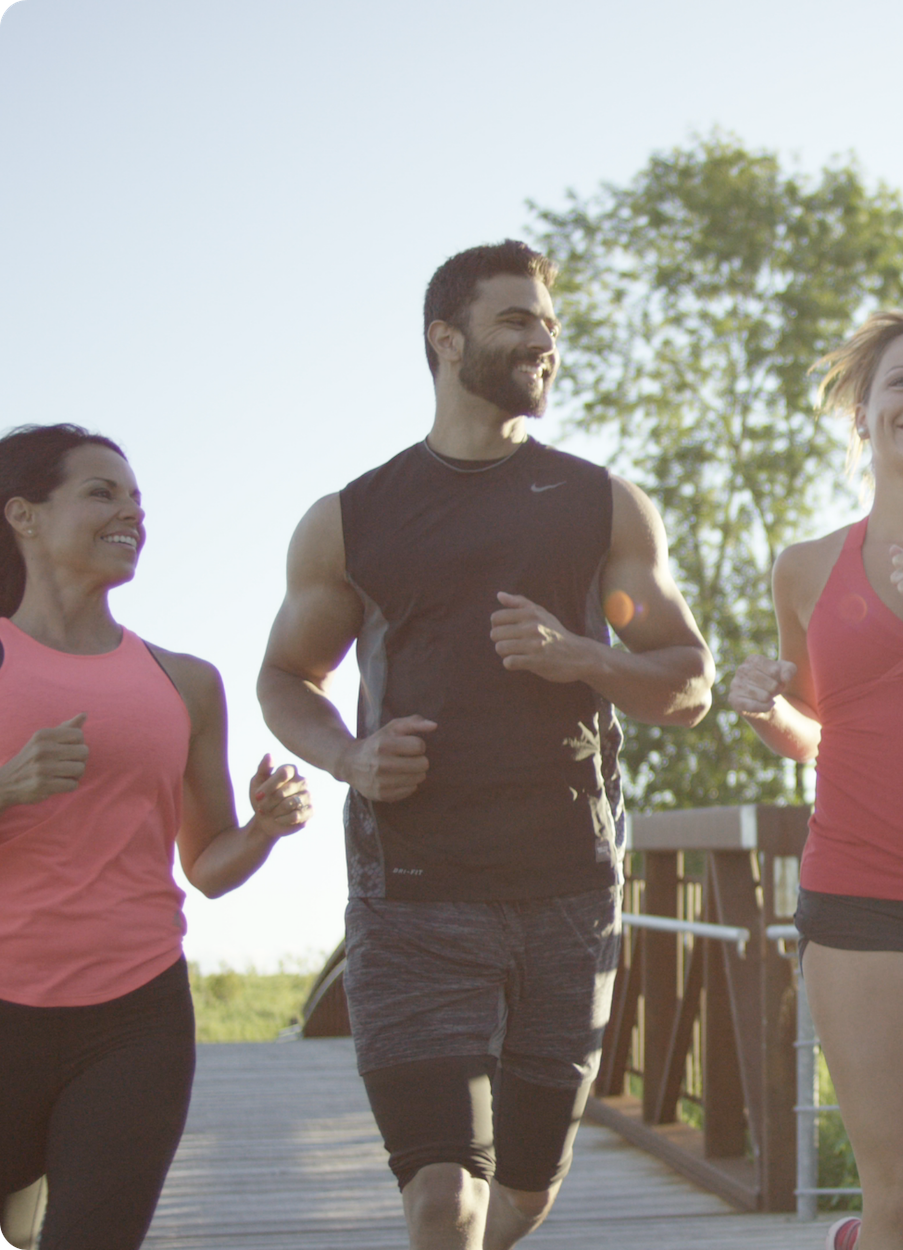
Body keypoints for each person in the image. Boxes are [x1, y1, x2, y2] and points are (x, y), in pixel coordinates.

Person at [257, 239, 714, 1250]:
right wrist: (348, 757)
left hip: (567, 892)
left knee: (519, 1196)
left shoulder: (601, 502)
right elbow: (285, 677)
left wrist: (579, 659)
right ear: (444, 337)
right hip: (414, 894)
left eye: (549, 324)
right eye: (516, 320)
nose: (542, 341)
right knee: (441, 1199)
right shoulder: (350, 518)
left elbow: (688, 683)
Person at [0, 423, 313, 1250]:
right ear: (23, 516)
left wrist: (265, 830)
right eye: (102, 492)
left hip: (135, 1022)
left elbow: (206, 868)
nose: (131, 513)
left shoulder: (185, 683)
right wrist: (7, 787)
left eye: (138, 500)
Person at [729, 312, 903, 1250]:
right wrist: (767, 709)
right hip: (861, 892)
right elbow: (813, 735)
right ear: (862, 412)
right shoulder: (805, 569)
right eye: (901, 382)